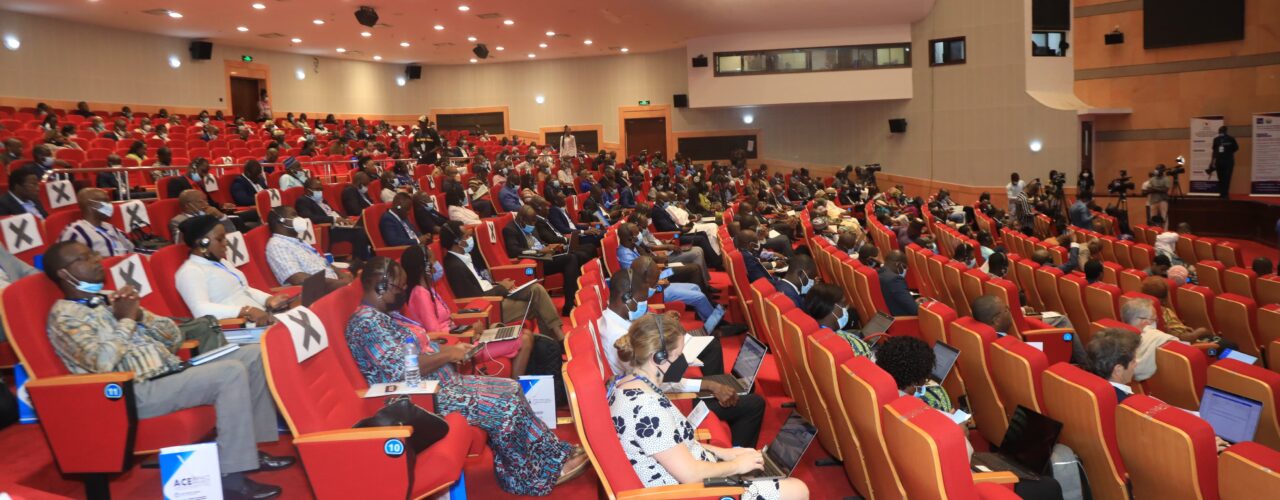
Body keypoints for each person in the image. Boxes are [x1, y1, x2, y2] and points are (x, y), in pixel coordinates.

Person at [43, 241, 292, 499]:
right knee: (230, 373)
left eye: (94, 253)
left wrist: (141, 316)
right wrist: (126, 319)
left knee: (254, 354)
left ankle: (248, 451)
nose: (96, 259)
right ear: (64, 273)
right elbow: (101, 363)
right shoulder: (64, 317)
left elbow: (173, 338)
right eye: (85, 258)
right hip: (131, 390)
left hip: (170, 370)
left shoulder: (111, 299)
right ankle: (232, 477)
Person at [344, 257, 588, 495]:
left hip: (442, 384)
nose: (405, 291)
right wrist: (448, 354)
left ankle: (553, 453)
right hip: (420, 399)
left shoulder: (385, 316)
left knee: (511, 388)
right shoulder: (367, 324)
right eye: (401, 287)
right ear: (382, 287)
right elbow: (400, 370)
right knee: (503, 405)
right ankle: (530, 477)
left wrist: (445, 349)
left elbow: (413, 350)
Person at [607, 312, 808, 500]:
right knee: (798, 489)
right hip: (691, 492)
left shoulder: (629, 383)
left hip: (695, 473)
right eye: (679, 355)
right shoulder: (647, 410)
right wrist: (736, 465)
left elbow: (674, 447)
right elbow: (690, 475)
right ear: (658, 358)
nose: (683, 362)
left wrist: (725, 453)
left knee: (763, 468)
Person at [601, 270, 765, 448]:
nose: (645, 303)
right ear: (626, 297)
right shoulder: (619, 337)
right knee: (754, 403)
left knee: (742, 386)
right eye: (642, 299)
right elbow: (659, 382)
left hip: (659, 390)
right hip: (673, 398)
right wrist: (709, 385)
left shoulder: (613, 322)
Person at [398, 245, 535, 377]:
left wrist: (470, 328)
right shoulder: (420, 294)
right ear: (426, 268)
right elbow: (438, 335)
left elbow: (449, 324)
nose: (437, 264)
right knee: (525, 339)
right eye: (434, 261)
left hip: (463, 338)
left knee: (526, 334)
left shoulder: (429, 290)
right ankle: (518, 387)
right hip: (459, 346)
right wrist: (470, 332)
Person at [439, 221, 566, 339]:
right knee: (538, 304)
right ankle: (557, 339)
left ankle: (556, 338)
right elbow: (475, 298)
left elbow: (480, 283)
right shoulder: (455, 266)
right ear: (457, 242)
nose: (471, 238)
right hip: (492, 305)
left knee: (536, 289)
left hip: (494, 291)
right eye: (466, 236)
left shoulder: (465, 256)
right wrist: (501, 288)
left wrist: (498, 285)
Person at [174, 216, 290, 324]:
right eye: (220, 239)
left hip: (259, 318)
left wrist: (268, 299)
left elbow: (244, 289)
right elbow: (200, 310)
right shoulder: (190, 271)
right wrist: (244, 311)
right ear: (202, 243)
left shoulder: (222, 262)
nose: (226, 242)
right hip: (235, 328)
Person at [503, 206, 581, 312]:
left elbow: (539, 242)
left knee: (574, 256)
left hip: (544, 256)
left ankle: (573, 299)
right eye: (531, 222)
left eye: (534, 221)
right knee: (570, 259)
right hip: (535, 263)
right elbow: (514, 251)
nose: (533, 225)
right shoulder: (510, 229)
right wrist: (538, 251)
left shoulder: (530, 225)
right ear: (521, 220)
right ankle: (569, 305)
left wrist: (549, 247)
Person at [264, 206, 352, 291]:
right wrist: (337, 284)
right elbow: (298, 279)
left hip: (333, 284)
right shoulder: (277, 245)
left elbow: (323, 262)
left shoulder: (299, 241)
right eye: (294, 215)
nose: (300, 218)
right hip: (317, 291)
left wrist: (341, 274)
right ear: (281, 221)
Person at [294, 178, 373, 259]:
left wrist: (345, 219)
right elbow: (310, 218)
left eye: (321, 189)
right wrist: (333, 219)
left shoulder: (321, 200)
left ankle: (367, 257)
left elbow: (332, 212)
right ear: (307, 191)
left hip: (338, 226)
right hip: (327, 230)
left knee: (362, 227)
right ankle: (359, 260)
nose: (320, 191)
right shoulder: (302, 201)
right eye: (317, 189)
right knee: (359, 232)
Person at [57, 188, 134, 257]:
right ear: (90, 207)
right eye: (105, 202)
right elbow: (67, 262)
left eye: (109, 201)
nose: (110, 205)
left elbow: (132, 249)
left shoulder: (110, 227)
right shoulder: (75, 231)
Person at [1118, 298, 1178, 382]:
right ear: (1144, 322)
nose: (1156, 322)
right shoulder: (1160, 339)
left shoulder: (1115, 336)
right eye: (1154, 319)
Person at [803, 283, 869, 355]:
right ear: (832, 308)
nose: (846, 308)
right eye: (843, 304)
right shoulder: (840, 345)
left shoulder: (817, 331)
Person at [1084, 328, 1140, 403]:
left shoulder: (1084, 389)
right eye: (1133, 361)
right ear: (1118, 370)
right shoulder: (1124, 404)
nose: (1136, 364)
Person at [170, 190, 238, 244]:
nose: (206, 204)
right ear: (188, 205)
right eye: (200, 202)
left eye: (206, 201)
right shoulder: (178, 221)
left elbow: (232, 232)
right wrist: (200, 219)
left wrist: (221, 216)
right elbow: (181, 244)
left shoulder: (210, 215)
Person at [879, 250, 923, 316]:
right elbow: (914, 310)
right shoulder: (895, 280)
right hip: (903, 318)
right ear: (898, 265)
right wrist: (920, 304)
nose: (905, 271)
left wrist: (912, 301)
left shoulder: (879, 273)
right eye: (905, 267)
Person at [1210, 126, 1239, 199]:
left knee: (1226, 178)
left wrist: (1227, 153)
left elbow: (1236, 148)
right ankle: (1222, 194)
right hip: (1222, 161)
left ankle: (1225, 194)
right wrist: (1212, 162)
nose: (1220, 132)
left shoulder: (1231, 139)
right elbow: (1215, 151)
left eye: (1221, 131)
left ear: (1225, 131)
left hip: (1227, 162)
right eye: (1220, 131)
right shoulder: (1216, 139)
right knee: (1222, 178)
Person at [1146, 165, 1172, 230]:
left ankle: (1165, 231)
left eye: (1158, 169)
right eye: (1156, 169)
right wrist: (1160, 188)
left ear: (1162, 170)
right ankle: (1153, 231)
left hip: (1163, 201)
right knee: (1152, 217)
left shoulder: (1166, 179)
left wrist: (1154, 188)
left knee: (1164, 217)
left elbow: (1165, 190)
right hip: (1153, 201)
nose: (1156, 170)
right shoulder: (1152, 179)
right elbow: (1148, 189)